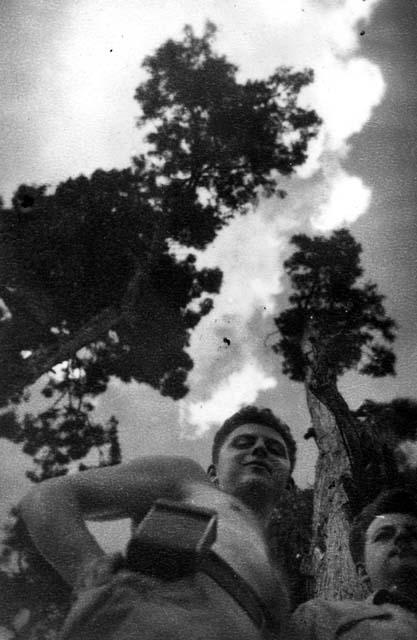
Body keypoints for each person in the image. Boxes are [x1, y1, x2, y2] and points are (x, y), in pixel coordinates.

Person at [19, 405, 296, 640]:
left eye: (275, 450)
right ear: (213, 473)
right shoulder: (189, 479)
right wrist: (88, 569)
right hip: (154, 616)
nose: (260, 449)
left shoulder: (277, 566)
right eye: (244, 443)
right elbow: (50, 495)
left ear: (286, 482)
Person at [288, 487, 417, 639]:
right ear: (362, 571)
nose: (402, 535)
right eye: (383, 535)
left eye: (415, 534)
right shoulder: (321, 616)